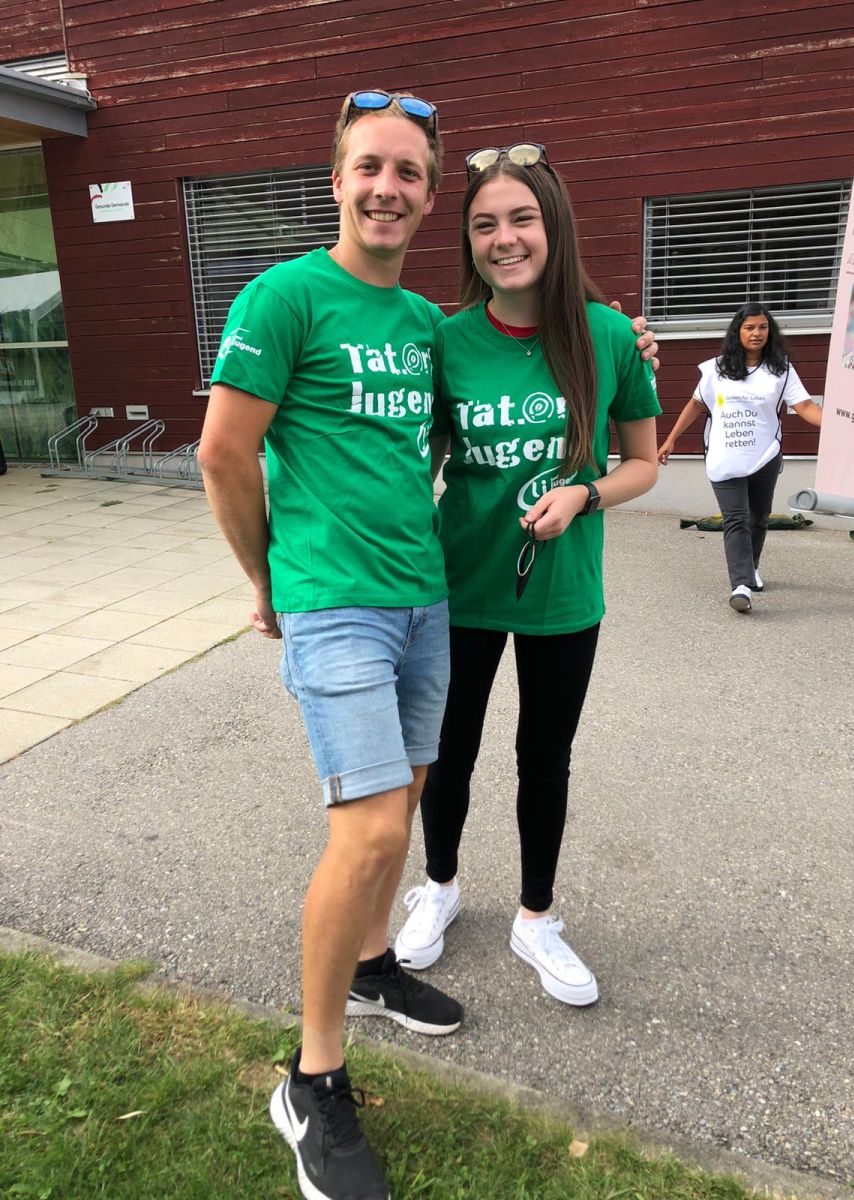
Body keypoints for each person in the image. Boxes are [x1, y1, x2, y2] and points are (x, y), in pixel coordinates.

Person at [198, 89, 462, 1200]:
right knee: (368, 832)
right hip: (333, 601)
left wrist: (614, 342)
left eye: (408, 172)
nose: (387, 188)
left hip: (423, 599)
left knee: (403, 806)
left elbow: (451, 431)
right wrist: (270, 581)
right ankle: (311, 1082)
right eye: (370, 167)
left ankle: (370, 965)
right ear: (338, 179)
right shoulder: (287, 295)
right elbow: (222, 451)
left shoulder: (426, 325)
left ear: (430, 195)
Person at [395, 142, 661, 1007]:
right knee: (448, 753)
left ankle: (535, 917)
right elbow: (414, 460)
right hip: (460, 586)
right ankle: (439, 886)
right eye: (484, 225)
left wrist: (585, 494)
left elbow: (644, 464)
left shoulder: (610, 335)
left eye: (521, 219)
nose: (503, 238)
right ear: (467, 241)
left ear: (555, 227)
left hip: (563, 591)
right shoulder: (445, 342)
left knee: (545, 758)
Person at [657, 302, 823, 612]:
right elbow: (695, 404)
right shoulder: (717, 369)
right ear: (738, 332)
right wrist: (671, 439)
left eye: (762, 327)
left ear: (770, 331)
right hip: (725, 455)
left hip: (765, 455)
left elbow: (805, 407)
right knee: (736, 519)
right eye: (749, 328)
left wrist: (838, 425)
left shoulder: (781, 370)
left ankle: (752, 568)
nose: (756, 333)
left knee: (759, 517)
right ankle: (741, 585)